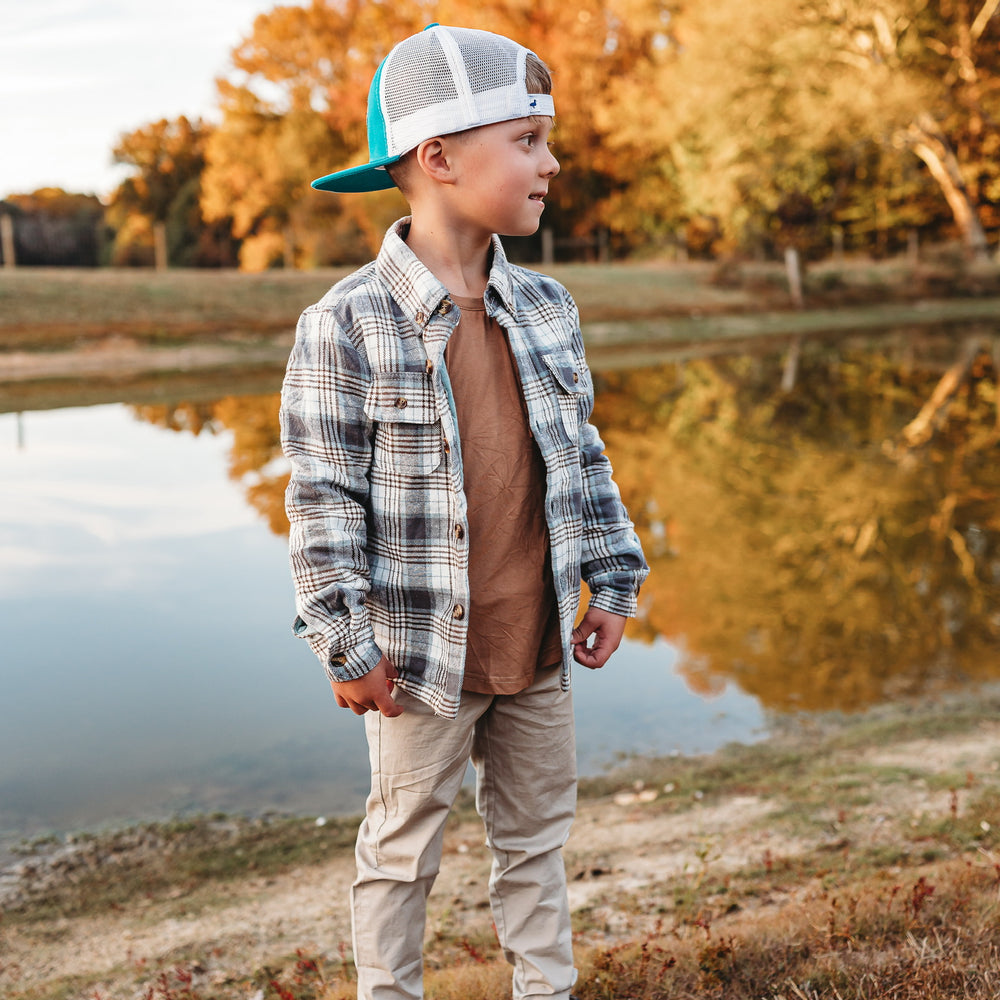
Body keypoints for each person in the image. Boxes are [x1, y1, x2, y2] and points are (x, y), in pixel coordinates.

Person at [280, 23, 649, 1000]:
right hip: (416, 658)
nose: (552, 161)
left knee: (536, 842)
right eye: (527, 139)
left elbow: (583, 454)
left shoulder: (546, 306)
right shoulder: (344, 326)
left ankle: (545, 990)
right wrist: (344, 643)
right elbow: (321, 502)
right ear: (439, 158)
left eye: (546, 138)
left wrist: (612, 579)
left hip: (532, 643)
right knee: (401, 849)